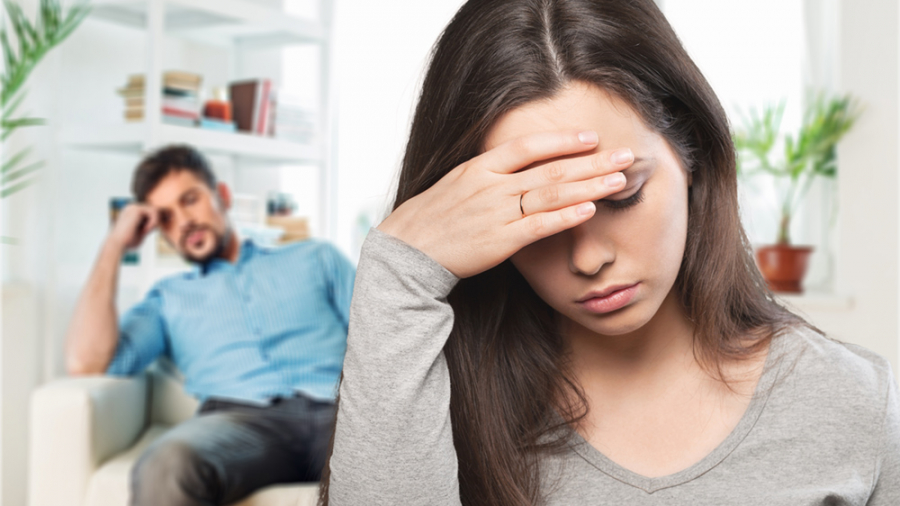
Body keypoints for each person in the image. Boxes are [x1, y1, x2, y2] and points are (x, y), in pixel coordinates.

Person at [321, 0, 900, 504]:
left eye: (622, 196)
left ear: (691, 152)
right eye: (533, 215)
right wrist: (398, 269)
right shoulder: (430, 396)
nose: (589, 258)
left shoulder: (853, 402)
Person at [64, 145, 355, 506]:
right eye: (166, 217)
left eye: (190, 200)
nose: (183, 221)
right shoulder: (167, 299)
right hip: (240, 425)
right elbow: (86, 363)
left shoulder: (316, 259)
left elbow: (383, 337)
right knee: (166, 465)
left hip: (343, 415)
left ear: (223, 196)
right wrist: (114, 245)